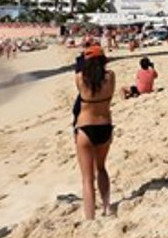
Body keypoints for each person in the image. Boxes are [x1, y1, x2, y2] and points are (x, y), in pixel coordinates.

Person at [74, 44, 114, 219]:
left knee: (87, 179)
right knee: (101, 169)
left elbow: (80, 74)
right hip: (105, 125)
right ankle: (107, 207)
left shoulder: (80, 78)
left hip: (85, 127)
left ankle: (90, 217)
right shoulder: (110, 77)